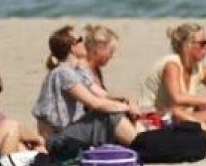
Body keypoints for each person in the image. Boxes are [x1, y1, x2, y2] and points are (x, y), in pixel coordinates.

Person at [32, 24, 139, 155]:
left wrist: (126, 102)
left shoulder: (78, 70)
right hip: (57, 139)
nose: (84, 43)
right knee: (111, 115)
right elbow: (95, 103)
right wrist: (125, 107)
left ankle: (142, 142)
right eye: (80, 40)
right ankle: (141, 147)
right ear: (72, 47)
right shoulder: (62, 73)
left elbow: (102, 95)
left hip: (71, 131)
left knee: (115, 110)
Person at [139, 23, 206, 142]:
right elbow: (177, 98)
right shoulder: (172, 65)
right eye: (203, 43)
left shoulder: (200, 69)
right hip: (155, 121)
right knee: (186, 109)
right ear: (187, 46)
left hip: (179, 120)